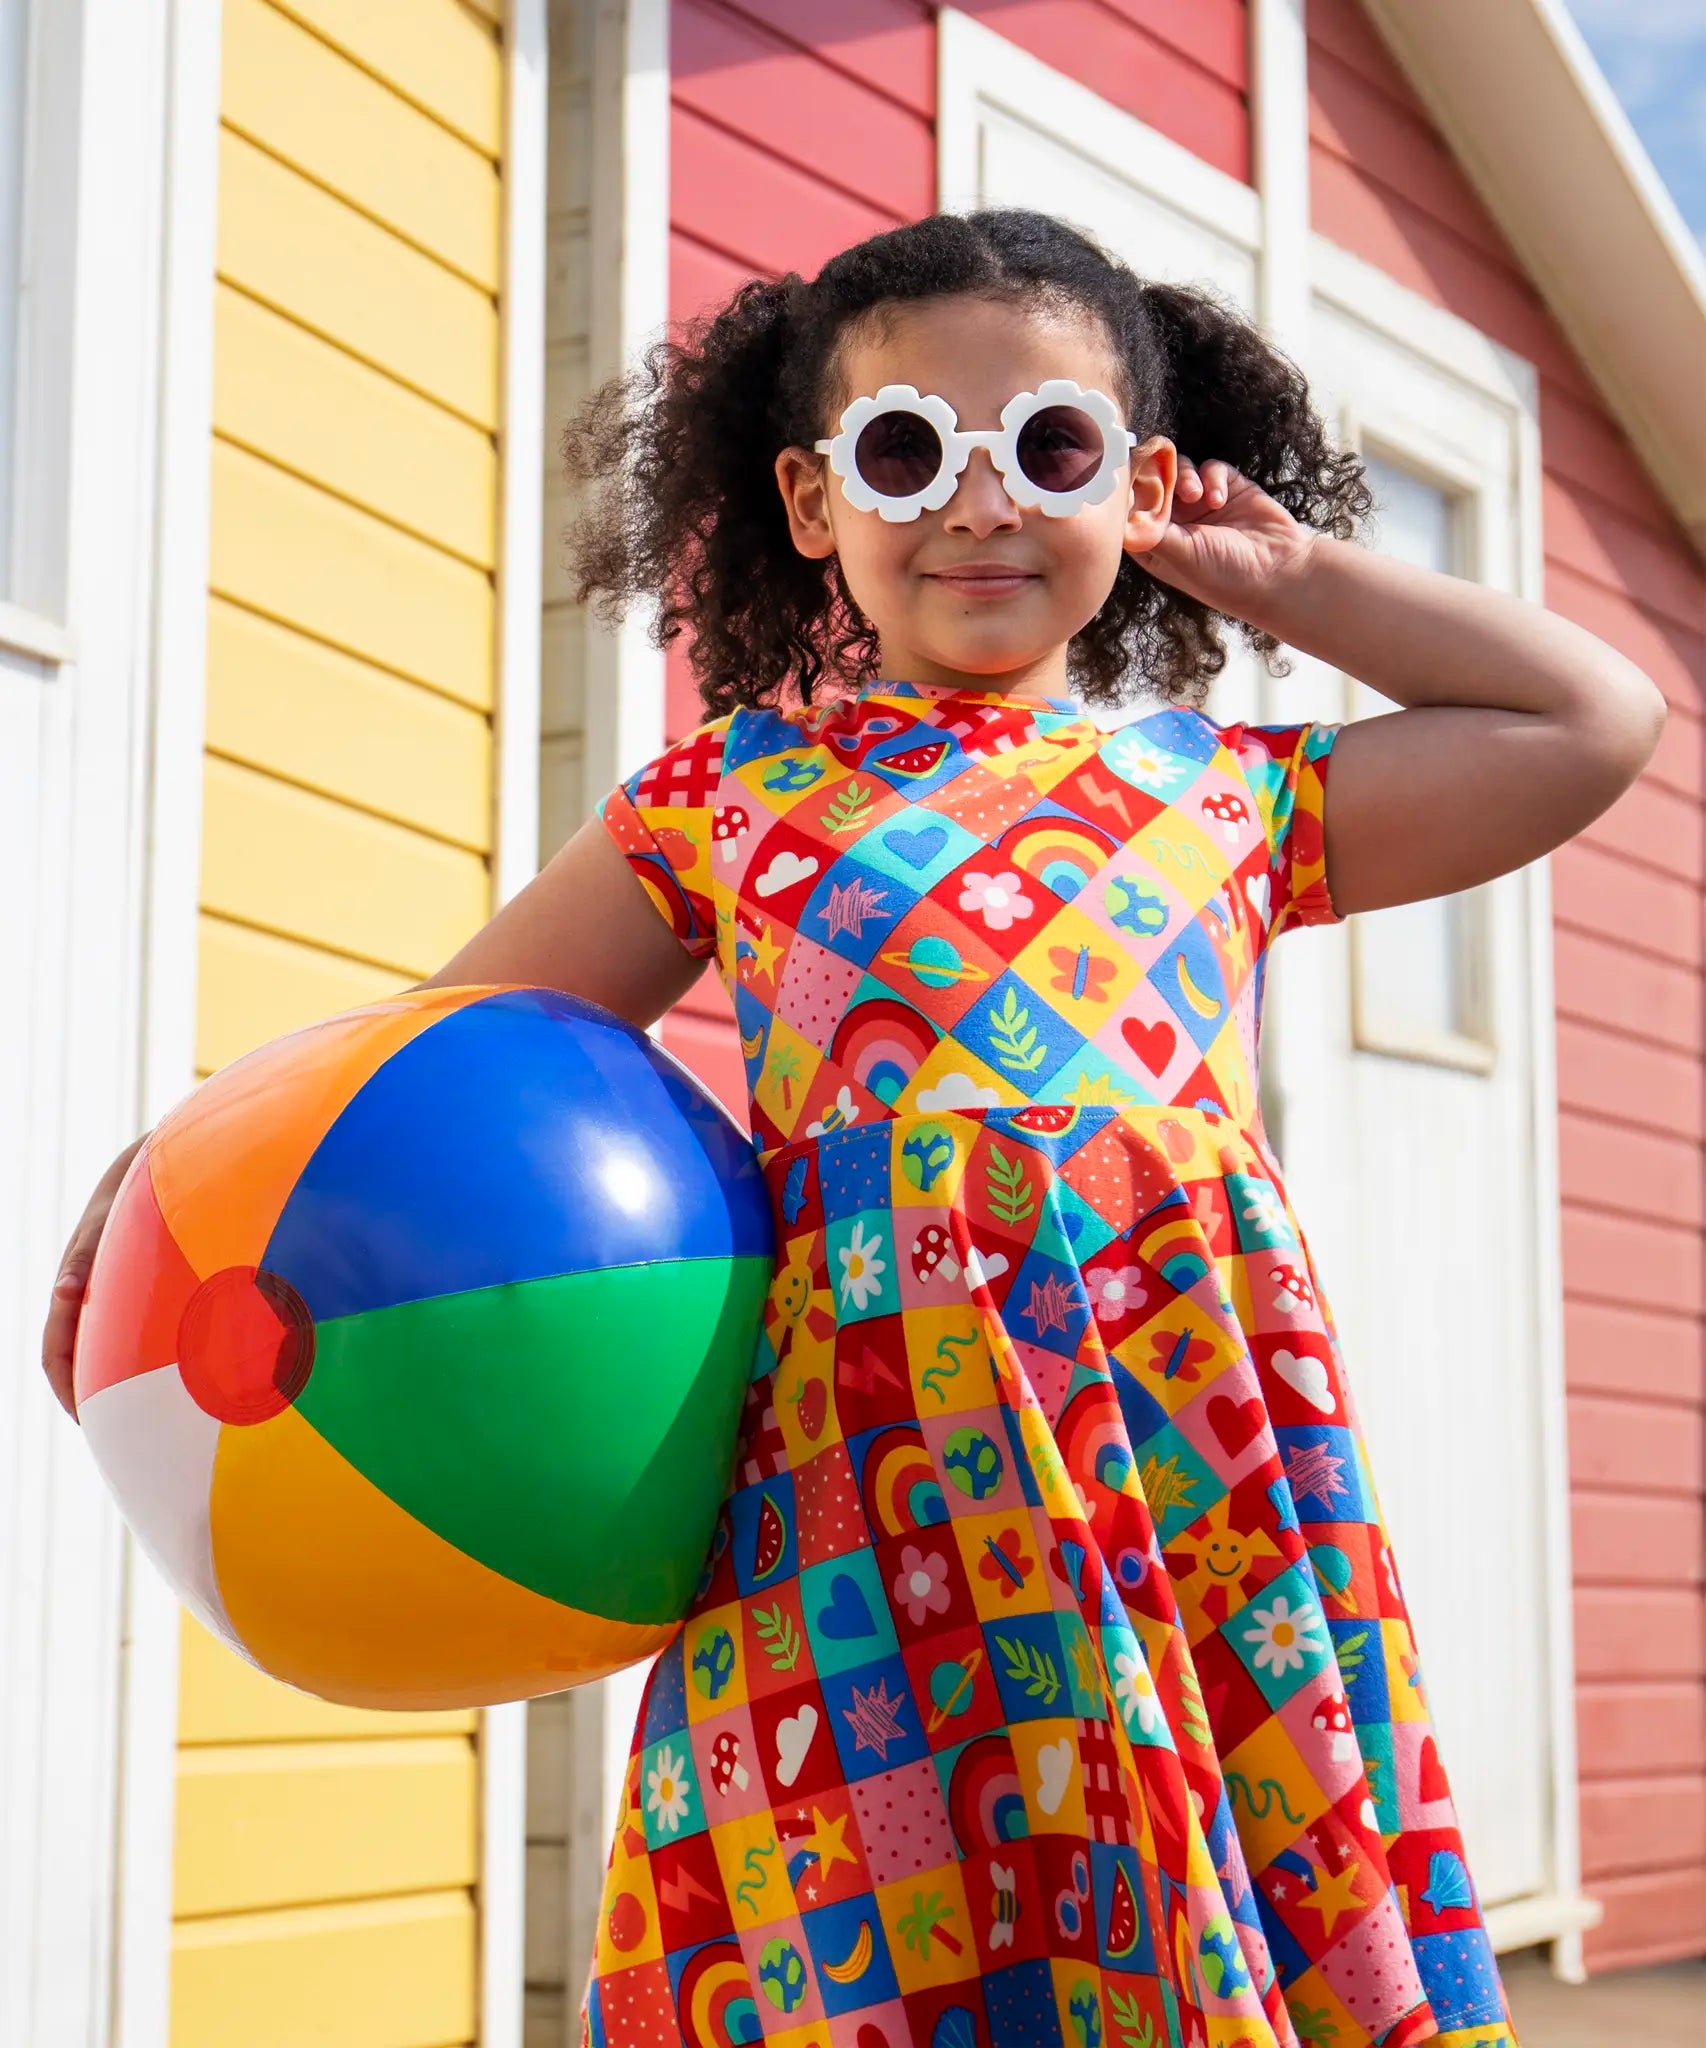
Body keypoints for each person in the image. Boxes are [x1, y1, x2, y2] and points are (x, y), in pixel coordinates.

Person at [42, 210, 1662, 2048]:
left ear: (1133, 484)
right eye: (908, 453)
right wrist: (159, 1186)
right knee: (855, 1916)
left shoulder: (1232, 786)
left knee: (1187, 1868)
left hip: (1166, 1449)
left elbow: (1589, 715)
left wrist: (1278, 579)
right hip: (849, 1466)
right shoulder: (725, 798)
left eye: (1049, 450)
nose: (979, 503)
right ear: (814, 502)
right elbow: (434, 1055)